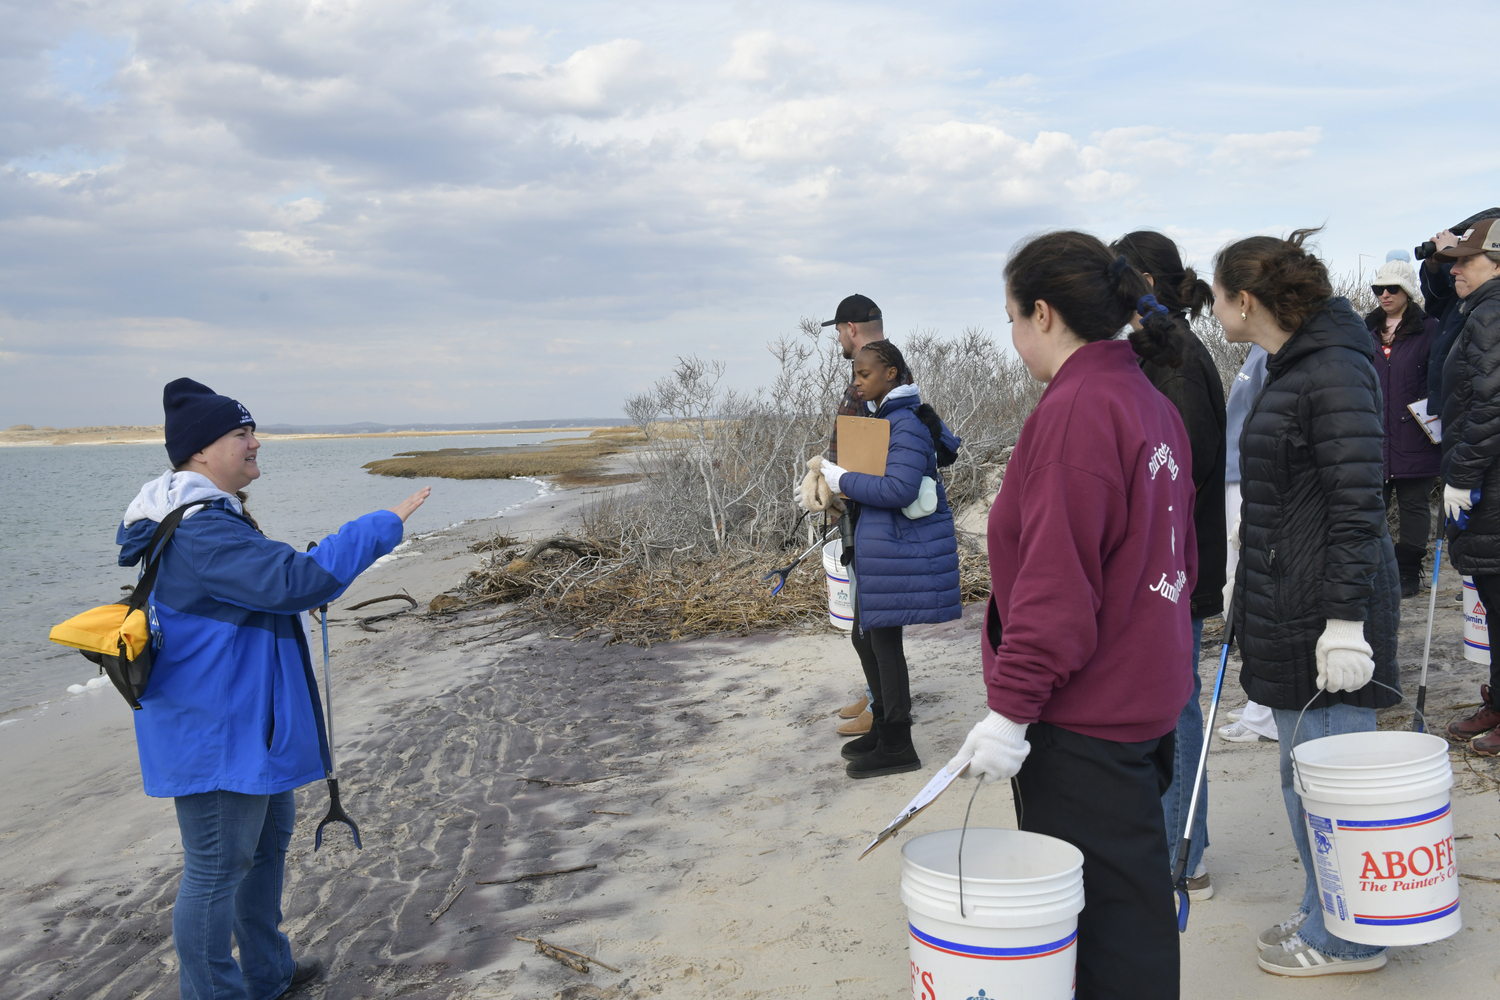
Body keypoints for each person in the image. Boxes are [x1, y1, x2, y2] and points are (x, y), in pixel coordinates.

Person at [120, 378, 430, 1000]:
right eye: (242, 433)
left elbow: (269, 589)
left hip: (246, 726)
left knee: (263, 853)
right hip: (215, 735)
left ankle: (267, 975)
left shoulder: (213, 515)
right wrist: (382, 524)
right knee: (214, 870)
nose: (256, 442)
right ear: (202, 451)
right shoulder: (200, 529)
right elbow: (297, 581)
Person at [949, 231, 1197, 998]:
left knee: (1113, 933)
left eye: (1012, 317)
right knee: (1133, 905)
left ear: (1044, 314)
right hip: (1144, 693)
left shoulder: (1079, 409)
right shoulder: (1147, 401)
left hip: (1087, 713)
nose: (1015, 334)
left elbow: (1058, 588)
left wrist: (1010, 713)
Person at [1214, 229, 1400, 977]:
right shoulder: (1290, 366)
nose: (1215, 306)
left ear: (1245, 298)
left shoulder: (1332, 370)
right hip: (1286, 596)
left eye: (1219, 293)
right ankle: (1327, 905)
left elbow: (1358, 505)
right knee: (1302, 777)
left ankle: (1351, 937)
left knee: (1334, 782)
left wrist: (1348, 623)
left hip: (1327, 608)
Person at [1111, 230, 1226, 902]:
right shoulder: (1161, 349)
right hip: (1169, 562)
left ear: (1145, 282)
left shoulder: (1176, 359)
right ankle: (1174, 847)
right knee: (1163, 704)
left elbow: (1187, 465)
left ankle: (1184, 859)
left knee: (1176, 707)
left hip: (1176, 566)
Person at [818, 340, 961, 777]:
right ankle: (885, 729)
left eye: (864, 375)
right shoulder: (887, 419)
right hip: (882, 548)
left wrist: (843, 478)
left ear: (892, 374)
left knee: (881, 642)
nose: (856, 382)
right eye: (855, 375)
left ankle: (899, 744)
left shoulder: (905, 423)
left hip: (897, 548)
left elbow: (898, 489)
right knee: (869, 638)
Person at [801, 294, 912, 739]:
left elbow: (869, 451)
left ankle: (888, 715)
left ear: (849, 328)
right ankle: (876, 698)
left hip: (870, 511)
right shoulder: (884, 367)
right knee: (869, 626)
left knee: (875, 628)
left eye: (837, 333)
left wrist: (836, 487)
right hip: (861, 506)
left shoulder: (883, 375)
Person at [1435, 218, 1500, 755]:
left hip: (1491, 484)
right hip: (1489, 484)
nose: (1455, 267)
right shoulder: (1479, 309)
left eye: (1467, 259)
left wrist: (1462, 475)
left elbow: (1491, 406)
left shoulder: (1493, 312)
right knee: (1495, 603)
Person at [1216, 345, 1280, 747]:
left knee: (1252, 586)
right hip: (1236, 476)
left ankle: (1266, 711)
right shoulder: (1257, 350)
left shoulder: (1273, 350)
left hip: (1250, 478)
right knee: (1236, 587)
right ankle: (1260, 697)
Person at [1365, 258, 1440, 598]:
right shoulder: (1365, 333)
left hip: (1416, 434)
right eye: (1379, 288)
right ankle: (1376, 571)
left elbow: (1440, 379)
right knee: (1371, 507)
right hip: (1374, 436)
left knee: (1414, 506)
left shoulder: (1430, 330)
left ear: (1407, 291)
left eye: (1392, 288)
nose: (1384, 294)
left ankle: (1409, 573)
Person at [1422, 208, 1500, 413]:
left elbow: (1487, 410)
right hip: (1452, 410)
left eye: (1467, 258)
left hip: (1467, 421)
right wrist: (1435, 267)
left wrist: (1449, 252)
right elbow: (1438, 306)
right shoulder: (1475, 306)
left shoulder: (1489, 314)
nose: (1455, 269)